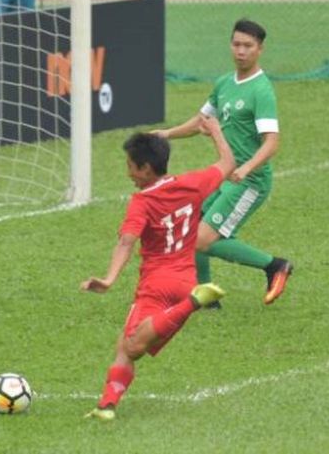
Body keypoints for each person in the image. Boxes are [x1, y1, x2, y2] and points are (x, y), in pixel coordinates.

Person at [81, 116, 235, 421]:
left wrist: (109, 279)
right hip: (185, 277)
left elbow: (126, 242)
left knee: (133, 345)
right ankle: (106, 406)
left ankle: (196, 301)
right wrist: (215, 131)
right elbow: (228, 163)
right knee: (124, 348)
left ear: (146, 169)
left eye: (130, 166)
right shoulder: (192, 183)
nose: (128, 173)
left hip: (157, 284)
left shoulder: (142, 202)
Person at [153, 18, 293, 308]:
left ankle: (275, 265)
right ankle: (205, 297)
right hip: (226, 177)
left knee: (202, 239)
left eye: (248, 46)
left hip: (249, 182)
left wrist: (246, 168)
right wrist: (167, 133)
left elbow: (271, 142)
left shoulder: (261, 90)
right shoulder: (225, 83)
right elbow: (200, 121)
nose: (241, 51)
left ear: (260, 50)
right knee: (191, 227)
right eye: (236, 44)